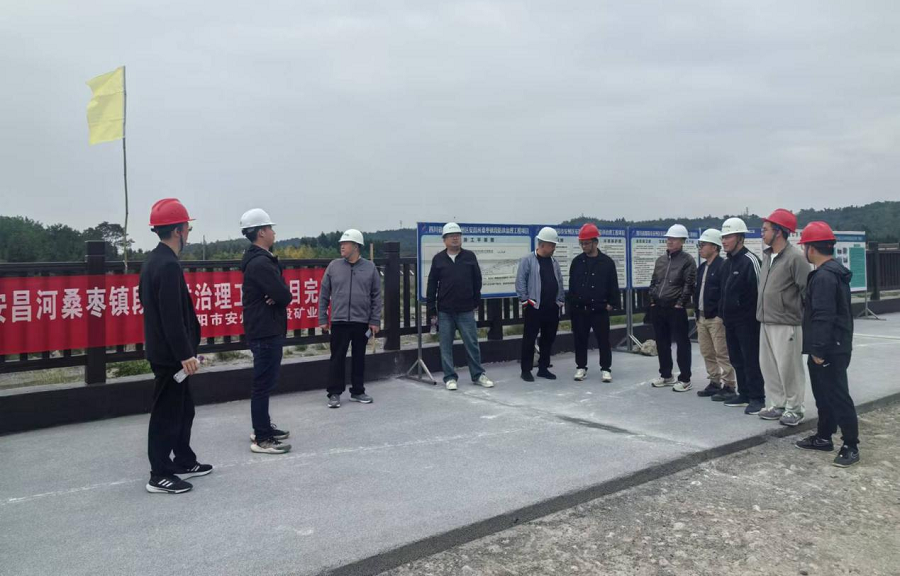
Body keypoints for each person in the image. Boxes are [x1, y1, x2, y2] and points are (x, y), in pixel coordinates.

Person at [139, 198, 211, 494]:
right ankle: (159, 474)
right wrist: (184, 354)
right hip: (170, 356)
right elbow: (170, 316)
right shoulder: (167, 265)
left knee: (183, 409)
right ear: (178, 230)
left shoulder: (154, 261)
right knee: (166, 414)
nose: (188, 233)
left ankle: (183, 459)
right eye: (187, 228)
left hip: (168, 351)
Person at [795, 222, 860, 467]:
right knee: (824, 394)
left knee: (837, 395)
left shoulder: (824, 276)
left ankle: (851, 445)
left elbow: (824, 315)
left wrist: (819, 350)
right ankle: (824, 436)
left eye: (804, 246)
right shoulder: (833, 272)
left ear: (811, 249)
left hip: (829, 347)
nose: (804, 250)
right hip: (833, 344)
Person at [240, 208, 293, 454]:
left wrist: (277, 294)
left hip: (264, 327)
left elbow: (279, 293)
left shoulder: (258, 259)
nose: (273, 232)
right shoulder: (261, 263)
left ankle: (262, 427)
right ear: (261, 232)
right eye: (270, 228)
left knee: (264, 383)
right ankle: (262, 438)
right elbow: (284, 295)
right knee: (263, 384)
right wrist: (278, 294)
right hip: (265, 330)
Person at [318, 229, 382, 408]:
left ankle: (358, 391)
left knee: (359, 357)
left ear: (356, 246)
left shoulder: (369, 267)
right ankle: (334, 393)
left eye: (345, 244)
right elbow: (324, 293)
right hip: (339, 320)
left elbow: (376, 296)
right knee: (337, 358)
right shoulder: (334, 266)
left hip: (361, 321)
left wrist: (375, 320)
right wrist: (322, 317)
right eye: (341, 244)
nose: (342, 246)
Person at [426, 222, 494, 391]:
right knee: (446, 346)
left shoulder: (469, 256)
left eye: (457, 235)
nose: (455, 238)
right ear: (444, 240)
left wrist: (475, 301)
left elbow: (477, 280)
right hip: (445, 310)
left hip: (466, 309)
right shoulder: (438, 259)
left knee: (472, 343)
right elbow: (432, 284)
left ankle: (478, 374)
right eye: (451, 236)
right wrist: (431, 307)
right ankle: (450, 377)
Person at [757, 209, 808, 426]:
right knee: (769, 367)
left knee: (789, 368)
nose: (762, 233)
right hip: (766, 320)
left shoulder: (795, 258)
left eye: (765, 229)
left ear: (778, 231)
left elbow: (807, 292)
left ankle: (794, 409)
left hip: (786, 322)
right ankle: (778, 404)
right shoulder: (767, 256)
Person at [717, 217, 765, 415]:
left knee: (751, 359)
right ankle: (744, 393)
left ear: (740, 238)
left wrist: (754, 318)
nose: (724, 241)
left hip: (748, 322)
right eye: (723, 237)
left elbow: (760, 292)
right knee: (736, 359)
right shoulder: (727, 264)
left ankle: (757, 397)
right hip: (730, 321)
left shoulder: (750, 261)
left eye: (728, 237)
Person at [568, 223, 620, 382]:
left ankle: (606, 368)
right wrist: (572, 304)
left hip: (600, 308)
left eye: (586, 243)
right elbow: (572, 285)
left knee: (603, 340)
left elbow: (613, 285)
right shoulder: (577, 262)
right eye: (581, 243)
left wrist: (611, 304)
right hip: (580, 308)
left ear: (595, 242)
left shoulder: (607, 262)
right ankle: (581, 367)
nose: (584, 246)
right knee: (580, 339)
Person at [648, 224, 697, 391]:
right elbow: (654, 281)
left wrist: (680, 303)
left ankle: (685, 379)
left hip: (675, 308)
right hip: (659, 307)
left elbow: (689, 285)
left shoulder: (687, 260)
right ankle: (666, 375)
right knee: (662, 343)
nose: (669, 241)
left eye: (674, 239)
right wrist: (652, 300)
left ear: (682, 241)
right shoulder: (661, 260)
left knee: (682, 343)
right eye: (668, 238)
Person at [516, 227, 564, 382]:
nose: (554, 248)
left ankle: (543, 368)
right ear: (542, 244)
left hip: (551, 307)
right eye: (552, 245)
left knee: (548, 339)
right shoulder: (528, 260)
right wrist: (525, 300)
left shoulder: (554, 262)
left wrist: (559, 301)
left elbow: (560, 281)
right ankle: (526, 370)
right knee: (529, 339)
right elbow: (521, 281)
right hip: (534, 306)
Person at [693, 229, 735, 397]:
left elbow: (725, 292)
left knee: (721, 353)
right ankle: (714, 381)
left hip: (716, 318)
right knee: (707, 352)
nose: (700, 248)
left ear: (714, 247)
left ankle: (729, 385)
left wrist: (720, 315)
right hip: (701, 317)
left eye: (703, 245)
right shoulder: (702, 267)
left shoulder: (723, 266)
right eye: (700, 245)